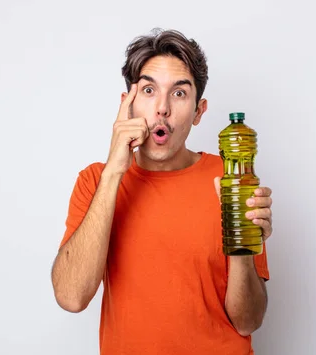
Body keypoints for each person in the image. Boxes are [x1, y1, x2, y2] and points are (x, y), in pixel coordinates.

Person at [51, 28, 274, 354]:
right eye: (149, 90)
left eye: (179, 94)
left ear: (199, 112)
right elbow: (71, 296)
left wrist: (240, 241)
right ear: (127, 104)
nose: (162, 108)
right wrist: (114, 171)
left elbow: (247, 321)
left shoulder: (229, 180)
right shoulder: (95, 181)